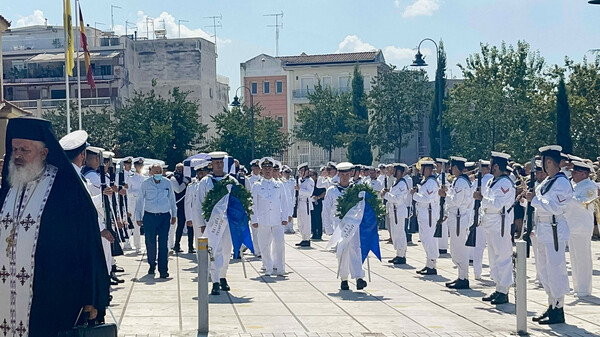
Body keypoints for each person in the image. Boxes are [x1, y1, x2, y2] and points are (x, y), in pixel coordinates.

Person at [0, 117, 110, 336]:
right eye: (14, 149)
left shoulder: (66, 189)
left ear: (44, 153)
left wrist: (92, 297)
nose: (18, 155)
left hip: (52, 293)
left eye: (25, 149)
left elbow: (88, 244)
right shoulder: (10, 186)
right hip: (7, 292)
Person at [59, 131, 115, 282]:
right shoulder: (74, 177)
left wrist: (102, 197)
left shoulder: (71, 174)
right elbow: (85, 207)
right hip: (84, 232)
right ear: (82, 154)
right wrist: (101, 228)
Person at [526, 145, 573, 324]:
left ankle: (558, 308)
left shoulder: (561, 182)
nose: (543, 166)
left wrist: (535, 200)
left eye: (545, 162)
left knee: (555, 269)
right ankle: (551, 304)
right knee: (543, 271)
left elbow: (555, 207)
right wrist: (527, 199)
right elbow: (538, 202)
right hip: (542, 229)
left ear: (551, 162)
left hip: (554, 230)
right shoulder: (547, 181)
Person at [475, 152, 515, 305]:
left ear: (496, 166)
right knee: (493, 258)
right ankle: (498, 287)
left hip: (500, 223)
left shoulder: (505, 183)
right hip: (490, 222)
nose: (489, 167)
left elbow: (498, 204)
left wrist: (482, 199)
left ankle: (504, 290)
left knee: (503, 257)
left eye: (491, 165)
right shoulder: (492, 181)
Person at [196, 151, 238, 295]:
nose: (219, 165)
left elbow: (239, 201)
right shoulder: (205, 182)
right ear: (211, 164)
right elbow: (199, 203)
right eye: (216, 163)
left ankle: (223, 276)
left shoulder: (232, 181)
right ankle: (214, 280)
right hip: (213, 223)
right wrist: (201, 223)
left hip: (228, 223)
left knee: (227, 251)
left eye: (221, 162)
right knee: (215, 251)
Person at [323, 162, 367, 291]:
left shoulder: (356, 189)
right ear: (338, 174)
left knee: (355, 249)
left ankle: (359, 277)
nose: (345, 177)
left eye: (347, 174)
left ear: (351, 174)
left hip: (354, 224)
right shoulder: (332, 190)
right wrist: (328, 227)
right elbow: (326, 210)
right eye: (342, 174)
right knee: (342, 251)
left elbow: (363, 207)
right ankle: (344, 279)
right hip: (339, 225)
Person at [136, 164, 177, 279]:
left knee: (163, 243)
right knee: (150, 242)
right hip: (150, 216)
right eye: (156, 171)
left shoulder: (167, 183)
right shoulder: (145, 184)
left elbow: (172, 199)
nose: (158, 173)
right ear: (151, 172)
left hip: (164, 216)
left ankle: (163, 269)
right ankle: (151, 264)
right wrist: (138, 217)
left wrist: (174, 214)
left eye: (160, 171)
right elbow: (139, 200)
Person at [251, 157, 289, 276]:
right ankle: (268, 267)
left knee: (279, 243)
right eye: (265, 168)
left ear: (273, 170)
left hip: (277, 219)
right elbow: (253, 204)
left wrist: (285, 217)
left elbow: (284, 201)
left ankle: (280, 267)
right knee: (264, 245)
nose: (268, 170)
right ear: (261, 170)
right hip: (263, 220)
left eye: (270, 168)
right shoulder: (256, 185)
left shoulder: (279, 185)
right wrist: (254, 219)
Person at [565, 160, 597, 298]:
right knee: (574, 258)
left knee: (583, 259)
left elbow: (584, 203)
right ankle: (577, 287)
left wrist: (568, 197)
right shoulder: (573, 184)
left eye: (575, 172)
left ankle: (584, 289)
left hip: (582, 226)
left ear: (583, 173)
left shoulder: (590, 186)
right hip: (571, 225)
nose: (572, 174)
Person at [442, 157, 473, 289]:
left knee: (459, 249)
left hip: (459, 218)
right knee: (455, 249)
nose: (450, 168)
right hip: (456, 217)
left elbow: (457, 201)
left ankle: (464, 278)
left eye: (452, 166)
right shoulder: (458, 181)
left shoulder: (461, 182)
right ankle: (461, 276)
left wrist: (445, 195)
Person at [411, 160, 440, 275]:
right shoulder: (426, 181)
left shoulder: (431, 183)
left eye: (422, 169)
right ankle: (428, 264)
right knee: (424, 239)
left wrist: (414, 195)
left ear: (427, 169)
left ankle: (432, 265)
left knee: (429, 239)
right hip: (423, 213)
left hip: (429, 214)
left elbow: (426, 199)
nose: (420, 171)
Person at [382, 163, 410, 265]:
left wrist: (386, 195)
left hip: (398, 211)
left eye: (396, 170)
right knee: (395, 234)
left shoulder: (402, 184)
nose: (394, 172)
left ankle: (402, 255)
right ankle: (398, 254)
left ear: (400, 172)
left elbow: (398, 199)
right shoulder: (396, 183)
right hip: (394, 211)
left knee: (400, 233)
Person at [472, 159, 492, 279]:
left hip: (480, 215)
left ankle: (477, 272)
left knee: (478, 247)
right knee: (492, 247)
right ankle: (494, 273)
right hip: (491, 217)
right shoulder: (493, 181)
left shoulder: (478, 182)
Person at [171, 163, 193, 254]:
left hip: (188, 204)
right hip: (179, 204)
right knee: (180, 225)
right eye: (178, 169)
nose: (180, 171)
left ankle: (191, 247)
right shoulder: (173, 178)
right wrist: (184, 183)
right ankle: (177, 245)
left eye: (182, 169)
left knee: (190, 226)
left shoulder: (188, 178)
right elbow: (178, 190)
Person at [185, 159, 210, 243]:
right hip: (196, 216)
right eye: (200, 173)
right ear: (197, 174)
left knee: (211, 239)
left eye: (204, 172)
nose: (202, 175)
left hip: (210, 215)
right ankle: (201, 256)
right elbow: (188, 203)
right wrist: (189, 218)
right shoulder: (192, 186)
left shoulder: (211, 183)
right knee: (199, 239)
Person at [126, 157, 146, 254]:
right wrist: (137, 193)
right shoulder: (131, 178)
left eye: (141, 165)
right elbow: (127, 191)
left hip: (144, 203)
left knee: (146, 224)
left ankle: (147, 245)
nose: (140, 167)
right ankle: (137, 246)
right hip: (134, 203)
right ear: (135, 166)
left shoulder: (145, 178)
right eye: (138, 165)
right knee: (136, 225)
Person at [295, 162, 314, 247]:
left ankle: (307, 239)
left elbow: (309, 193)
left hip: (306, 202)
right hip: (300, 202)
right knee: (300, 221)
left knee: (306, 222)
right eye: (300, 171)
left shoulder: (310, 181)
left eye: (303, 171)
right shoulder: (299, 180)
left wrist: (300, 190)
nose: (301, 173)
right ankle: (303, 238)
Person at [245, 159, 262, 257]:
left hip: (261, 207)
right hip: (251, 207)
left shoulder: (262, 179)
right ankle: (256, 250)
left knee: (260, 230)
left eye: (258, 168)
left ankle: (258, 249)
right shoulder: (249, 179)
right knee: (254, 230)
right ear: (252, 168)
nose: (257, 170)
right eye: (255, 168)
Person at [435, 158, 450, 254]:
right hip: (439, 202)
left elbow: (447, 188)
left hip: (444, 202)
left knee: (443, 224)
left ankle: (442, 246)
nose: (436, 168)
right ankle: (440, 246)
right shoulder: (438, 177)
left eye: (438, 166)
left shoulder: (445, 177)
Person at [310, 170, 326, 240]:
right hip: (310, 202)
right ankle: (313, 233)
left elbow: (324, 192)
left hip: (318, 202)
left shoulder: (319, 183)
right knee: (312, 218)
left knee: (318, 218)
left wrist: (318, 197)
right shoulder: (309, 183)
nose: (311, 177)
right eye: (310, 175)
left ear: (316, 176)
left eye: (313, 175)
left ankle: (319, 233)